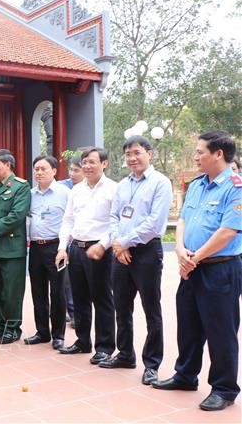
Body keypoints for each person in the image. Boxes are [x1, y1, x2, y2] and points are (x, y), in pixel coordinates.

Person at [153, 131, 242, 412]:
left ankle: (224, 388)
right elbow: (182, 221)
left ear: (219, 154)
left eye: (200, 152)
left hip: (220, 268)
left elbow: (227, 231)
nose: (195, 156)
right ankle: (185, 375)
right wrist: (180, 250)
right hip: (190, 266)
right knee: (188, 324)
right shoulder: (197, 185)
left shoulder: (236, 186)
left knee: (221, 329)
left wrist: (196, 257)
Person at [101, 136, 172, 385]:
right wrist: (118, 245)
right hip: (121, 251)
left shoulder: (160, 183)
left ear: (149, 153)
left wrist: (124, 242)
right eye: (128, 154)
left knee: (151, 308)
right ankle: (125, 354)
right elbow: (113, 217)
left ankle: (151, 364)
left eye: (137, 153)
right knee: (121, 306)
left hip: (146, 252)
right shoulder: (122, 185)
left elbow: (154, 223)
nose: (132, 158)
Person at [56, 147, 117, 365]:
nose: (87, 166)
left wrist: (102, 245)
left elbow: (115, 223)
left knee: (102, 298)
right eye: (85, 162)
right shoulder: (76, 190)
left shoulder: (113, 189)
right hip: (76, 249)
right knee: (79, 297)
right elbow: (68, 220)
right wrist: (63, 247)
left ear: (104, 164)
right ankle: (83, 341)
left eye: (92, 162)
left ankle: (105, 346)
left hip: (100, 250)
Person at [0, 149, 31, 344]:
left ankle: (12, 328)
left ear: (7, 165)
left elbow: (17, 214)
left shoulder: (20, 187)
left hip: (11, 248)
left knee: (12, 291)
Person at [25, 155, 70, 350]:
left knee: (58, 292)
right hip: (35, 247)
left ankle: (58, 335)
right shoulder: (30, 194)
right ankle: (42, 332)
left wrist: (65, 248)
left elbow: (71, 221)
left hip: (56, 248)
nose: (39, 172)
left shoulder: (65, 193)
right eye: (36, 169)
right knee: (38, 291)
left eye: (43, 169)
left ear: (54, 171)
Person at [59, 156, 83, 326]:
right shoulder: (62, 187)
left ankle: (77, 313)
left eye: (77, 170)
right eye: (71, 169)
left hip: (83, 241)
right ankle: (71, 312)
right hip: (63, 240)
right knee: (65, 280)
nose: (72, 174)